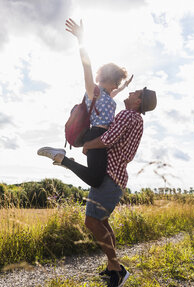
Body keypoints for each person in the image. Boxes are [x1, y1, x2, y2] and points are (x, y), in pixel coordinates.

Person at [39, 87, 157, 287]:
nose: (130, 93)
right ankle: (113, 268)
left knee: (92, 222)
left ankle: (117, 268)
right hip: (115, 178)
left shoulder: (129, 115)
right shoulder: (136, 119)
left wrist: (87, 145)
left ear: (138, 101)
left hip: (110, 178)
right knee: (102, 222)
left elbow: (108, 139)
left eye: (134, 93)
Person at [37, 18, 132, 188]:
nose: (117, 87)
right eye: (116, 82)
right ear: (108, 80)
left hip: (103, 137)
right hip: (96, 135)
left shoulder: (109, 96)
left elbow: (117, 91)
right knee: (96, 180)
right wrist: (81, 40)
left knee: (97, 178)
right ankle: (61, 158)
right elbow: (86, 67)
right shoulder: (93, 91)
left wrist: (125, 86)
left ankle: (64, 160)